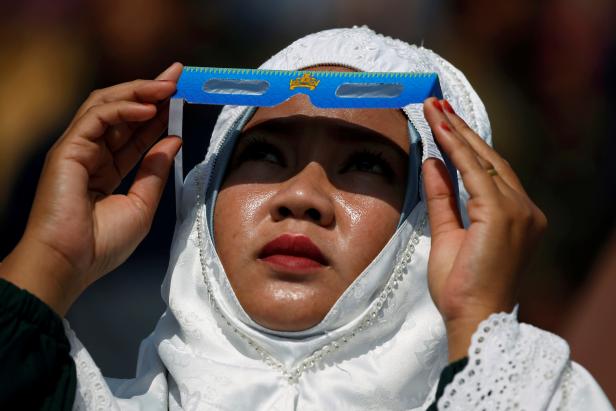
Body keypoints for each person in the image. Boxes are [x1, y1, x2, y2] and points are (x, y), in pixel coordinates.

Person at [0, 27, 612, 410]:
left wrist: (481, 329)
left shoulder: (533, 397)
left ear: (434, 222)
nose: (304, 197)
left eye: (366, 167)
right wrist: (48, 260)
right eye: (264, 154)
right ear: (202, 199)